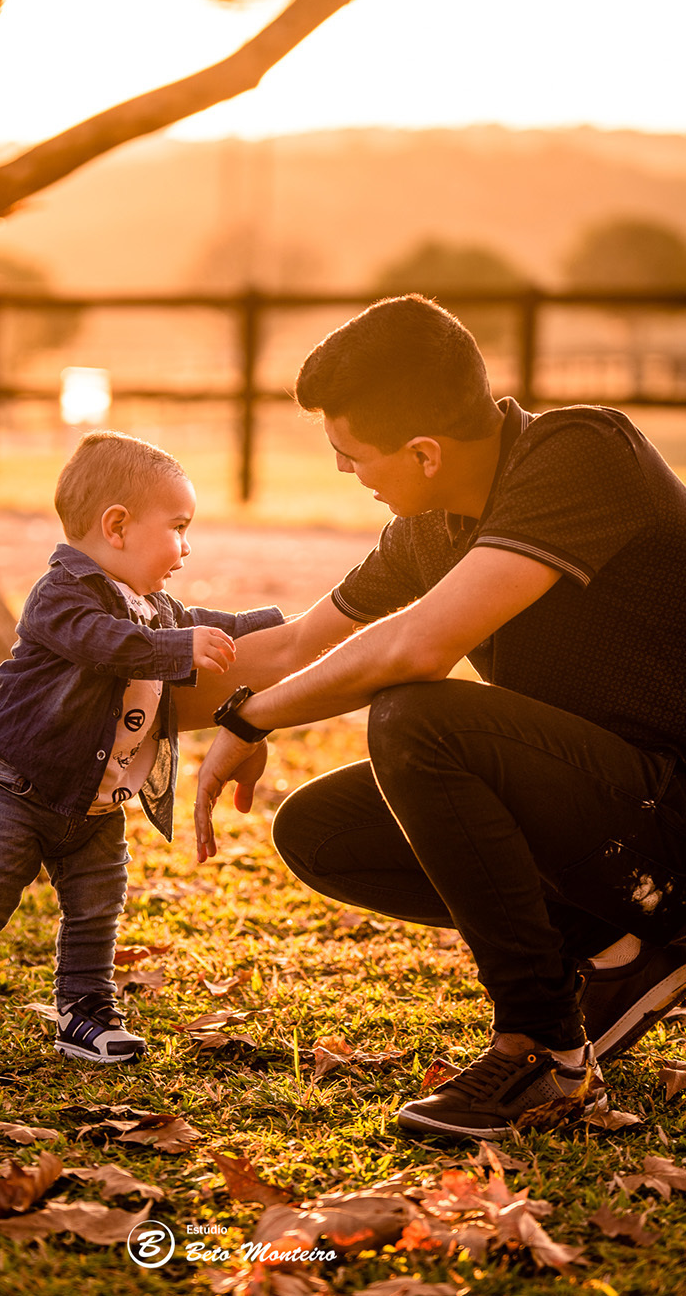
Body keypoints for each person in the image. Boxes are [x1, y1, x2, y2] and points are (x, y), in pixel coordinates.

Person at [196, 293, 686, 1141]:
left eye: (352, 454)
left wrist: (251, 721)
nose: (346, 472)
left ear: (423, 451)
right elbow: (297, 644)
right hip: (612, 813)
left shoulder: (580, 452)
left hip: (671, 798)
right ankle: (617, 946)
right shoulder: (430, 526)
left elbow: (415, 648)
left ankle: (543, 1050)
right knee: (321, 829)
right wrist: (106, 703)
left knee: (417, 721)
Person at [0, 430, 286, 1066]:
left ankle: (85, 1013)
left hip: (95, 804)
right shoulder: (60, 595)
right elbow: (106, 644)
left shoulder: (154, 605)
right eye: (178, 527)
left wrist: (276, 625)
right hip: (14, 789)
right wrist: (182, 648)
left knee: (97, 910)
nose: (185, 547)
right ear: (116, 526)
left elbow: (211, 624)